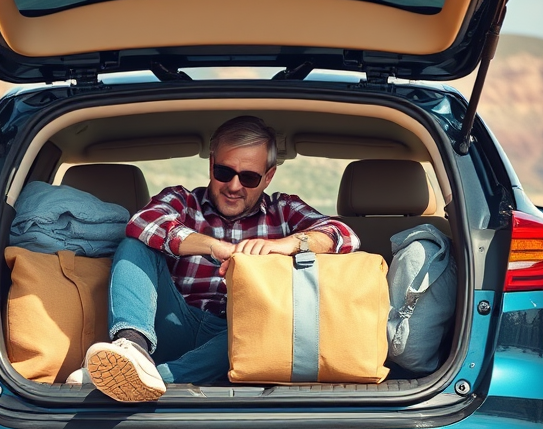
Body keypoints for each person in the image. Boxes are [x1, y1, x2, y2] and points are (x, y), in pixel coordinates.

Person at [74, 116, 359, 401]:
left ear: (268, 177)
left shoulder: (284, 210)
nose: (234, 186)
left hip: (239, 334)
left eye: (248, 177)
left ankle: (145, 378)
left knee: (268, 329)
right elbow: (142, 222)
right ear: (211, 165)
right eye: (224, 172)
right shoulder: (183, 201)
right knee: (134, 244)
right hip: (173, 322)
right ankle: (133, 349)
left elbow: (345, 235)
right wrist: (214, 247)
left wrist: (288, 245)